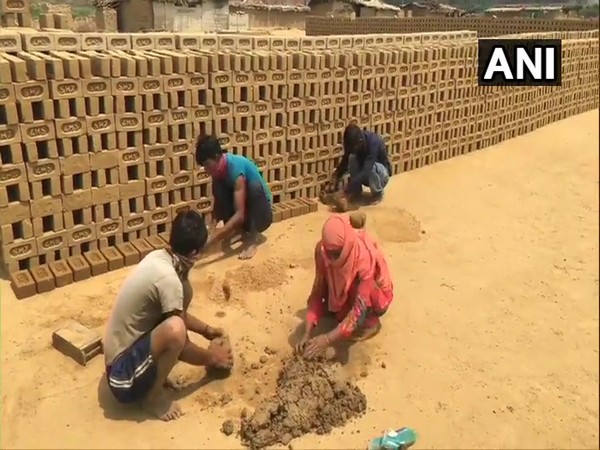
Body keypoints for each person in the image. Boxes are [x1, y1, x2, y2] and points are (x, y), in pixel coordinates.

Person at [103, 210, 233, 421]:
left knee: (178, 311)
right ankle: (152, 399)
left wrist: (207, 331)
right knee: (176, 331)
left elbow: (177, 315)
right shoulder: (168, 280)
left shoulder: (159, 257)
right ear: (194, 253)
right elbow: (179, 340)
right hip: (121, 378)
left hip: (124, 357)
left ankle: (152, 378)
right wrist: (213, 358)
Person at [295, 214, 394, 359]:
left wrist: (327, 339)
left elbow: (357, 312)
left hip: (375, 293)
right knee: (337, 309)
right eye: (328, 253)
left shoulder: (363, 260)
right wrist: (307, 331)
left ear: (346, 246)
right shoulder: (322, 251)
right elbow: (318, 291)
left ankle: (371, 324)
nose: (330, 260)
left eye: (335, 254)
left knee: (358, 315)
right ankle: (342, 305)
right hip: (347, 286)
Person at [195, 135, 273, 260]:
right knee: (219, 188)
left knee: (254, 187)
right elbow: (218, 204)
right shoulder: (218, 169)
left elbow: (240, 214)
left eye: (207, 165)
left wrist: (211, 240)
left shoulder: (235, 168)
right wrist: (211, 227)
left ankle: (253, 238)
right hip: (246, 212)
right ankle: (239, 231)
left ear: (216, 157)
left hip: (262, 216)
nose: (206, 170)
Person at [329, 124, 392, 205]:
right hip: (367, 174)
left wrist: (348, 188)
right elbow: (345, 160)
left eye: (353, 148)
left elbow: (367, 171)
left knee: (371, 167)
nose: (352, 150)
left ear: (360, 141)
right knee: (352, 158)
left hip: (381, 175)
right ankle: (357, 191)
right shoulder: (353, 141)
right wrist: (336, 176)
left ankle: (378, 194)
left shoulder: (373, 143)